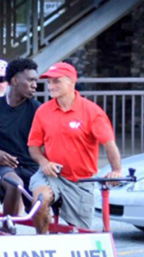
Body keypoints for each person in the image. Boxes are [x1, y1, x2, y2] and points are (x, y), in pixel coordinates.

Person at [27, 62, 122, 233]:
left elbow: (109, 144)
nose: (51, 86)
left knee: (80, 234)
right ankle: (42, 243)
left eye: (56, 81)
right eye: (49, 82)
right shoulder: (43, 111)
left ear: (72, 82)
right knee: (40, 200)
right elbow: (33, 146)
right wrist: (44, 163)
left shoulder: (92, 111)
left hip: (81, 180)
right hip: (53, 175)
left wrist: (116, 170)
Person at [0, 58, 40, 233]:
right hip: (3, 168)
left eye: (36, 80)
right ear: (14, 80)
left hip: (32, 167)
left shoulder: (37, 109)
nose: (35, 85)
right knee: (15, 183)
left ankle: (46, 241)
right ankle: (6, 229)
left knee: (41, 209)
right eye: (30, 80)